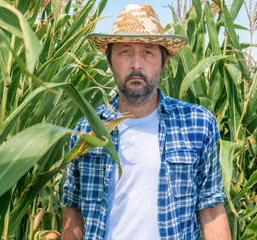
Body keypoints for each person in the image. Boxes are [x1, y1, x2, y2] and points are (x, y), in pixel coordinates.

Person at [61, 4, 231, 240]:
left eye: (148, 52)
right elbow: (74, 210)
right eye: (125, 51)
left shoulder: (198, 125)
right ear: (110, 62)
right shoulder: (87, 129)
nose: (136, 64)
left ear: (164, 61)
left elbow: (211, 211)